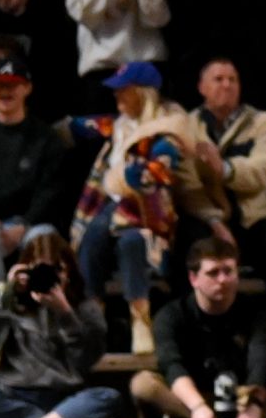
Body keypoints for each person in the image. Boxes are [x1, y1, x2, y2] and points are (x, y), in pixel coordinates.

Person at [128, 236, 266, 418]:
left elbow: (260, 360)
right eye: (213, 273)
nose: (222, 280)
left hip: (243, 397)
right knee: (142, 384)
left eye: (228, 271)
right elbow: (172, 366)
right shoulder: (171, 315)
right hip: (192, 399)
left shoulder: (258, 314)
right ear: (194, 278)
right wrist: (197, 407)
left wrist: (253, 406)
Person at [69, 62, 196, 355]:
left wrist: (137, 176)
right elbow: (83, 126)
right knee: (90, 239)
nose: (117, 97)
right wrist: (63, 127)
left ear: (142, 93)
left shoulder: (164, 130)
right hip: (110, 205)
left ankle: (141, 321)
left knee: (130, 243)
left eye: (123, 91)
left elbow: (162, 168)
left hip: (146, 212)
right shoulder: (118, 125)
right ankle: (93, 319)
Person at [0, 232, 122, 418]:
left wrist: (65, 313)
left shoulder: (85, 308)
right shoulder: (12, 306)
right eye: (39, 270)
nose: (48, 277)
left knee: (108, 397)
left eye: (56, 270)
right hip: (17, 396)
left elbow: (85, 361)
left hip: (64, 397)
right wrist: (5, 297)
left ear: (70, 272)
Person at [0, 55, 66, 316]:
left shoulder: (45, 137)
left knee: (43, 237)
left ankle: (44, 318)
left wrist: (25, 223)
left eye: (12, 85)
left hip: (32, 221)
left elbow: (51, 191)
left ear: (27, 88)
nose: (5, 92)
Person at [184, 58, 266, 311]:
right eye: (218, 79)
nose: (227, 85)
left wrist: (226, 169)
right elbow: (186, 181)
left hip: (254, 216)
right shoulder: (186, 126)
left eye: (233, 80)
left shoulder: (264, 122)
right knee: (187, 241)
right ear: (201, 87)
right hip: (207, 217)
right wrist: (214, 220)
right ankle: (191, 322)